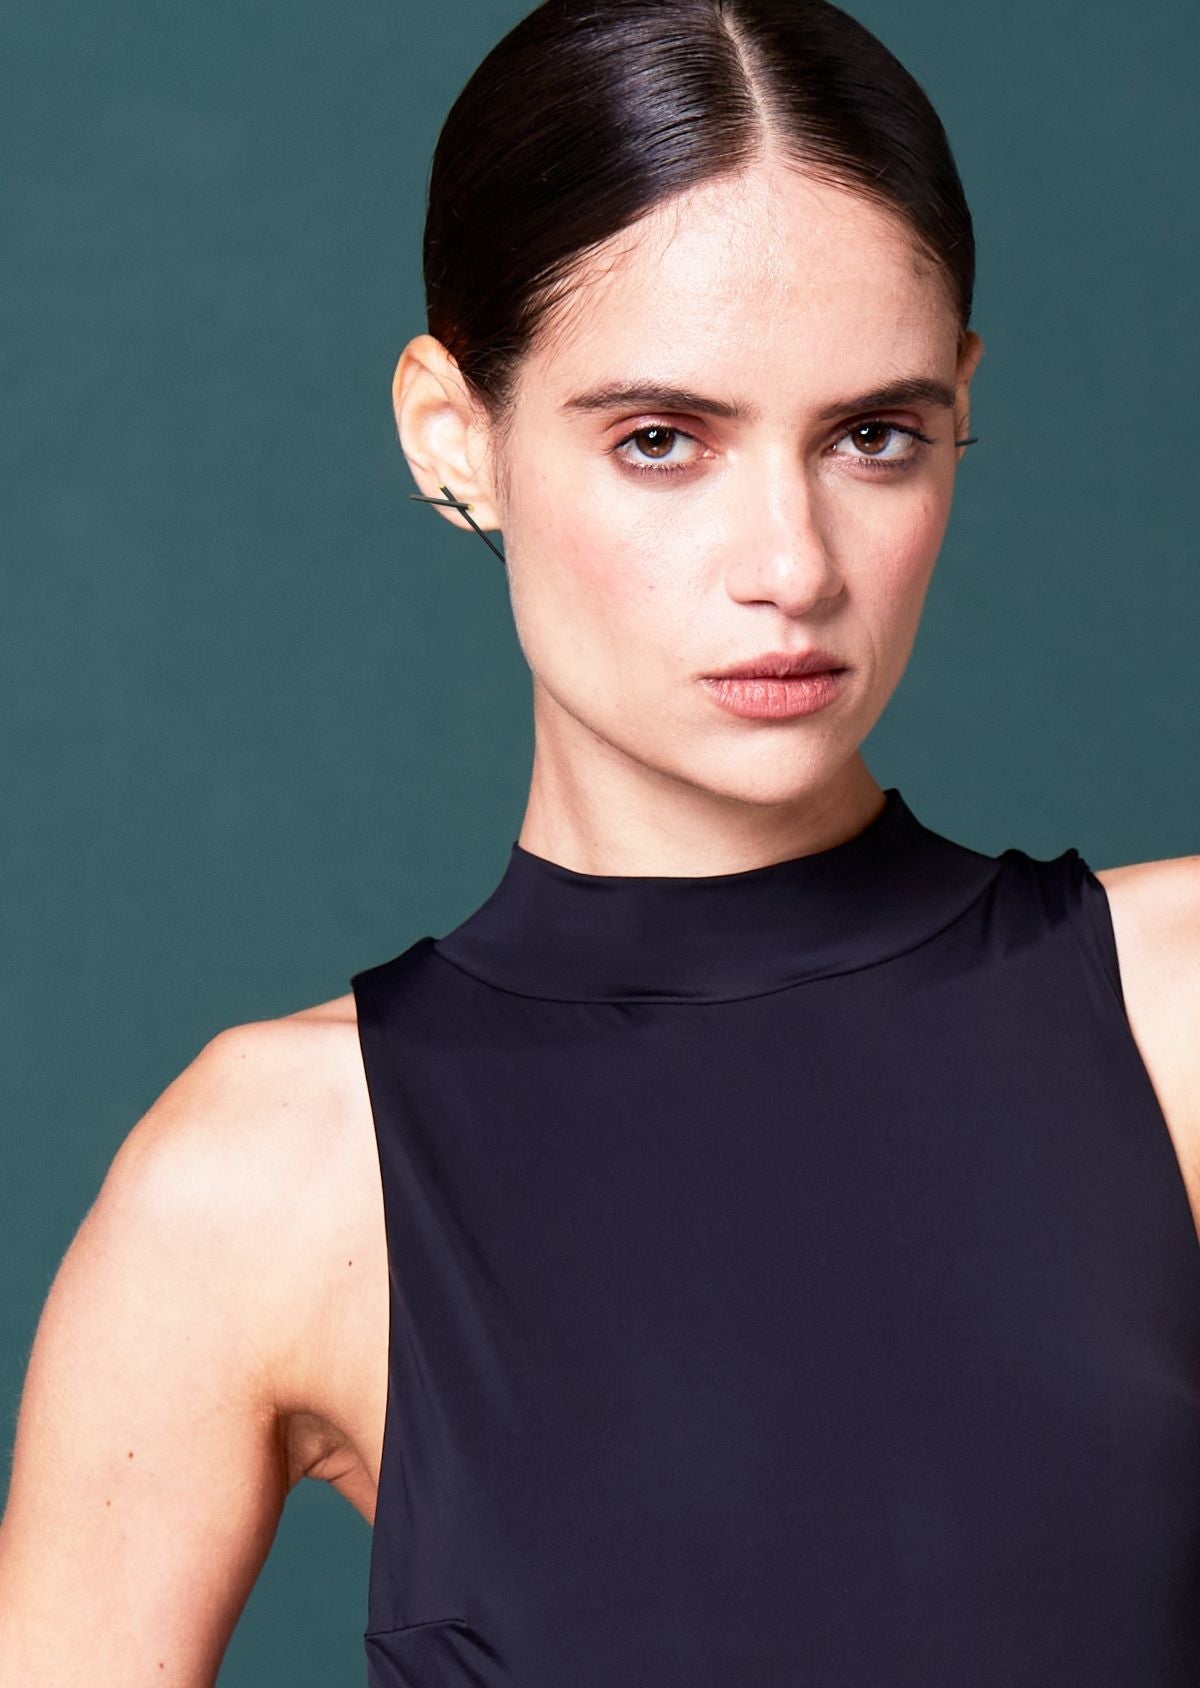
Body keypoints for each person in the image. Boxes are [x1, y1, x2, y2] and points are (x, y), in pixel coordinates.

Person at [2, 0, 1198, 1682]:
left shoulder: (1175, 1013)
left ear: (960, 412)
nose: (791, 564)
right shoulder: (264, 1179)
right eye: (661, 440)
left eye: (873, 434)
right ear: (455, 436)